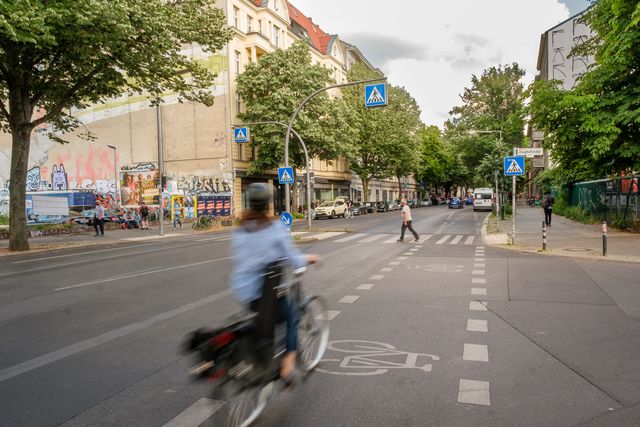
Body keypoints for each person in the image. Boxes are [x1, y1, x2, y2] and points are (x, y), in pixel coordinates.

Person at [230, 183, 321, 384]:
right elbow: (293, 259)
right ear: (268, 204)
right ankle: (287, 368)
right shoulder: (274, 229)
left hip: (245, 292)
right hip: (268, 293)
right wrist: (311, 257)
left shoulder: (240, 231)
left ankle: (262, 352)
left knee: (262, 321)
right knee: (292, 318)